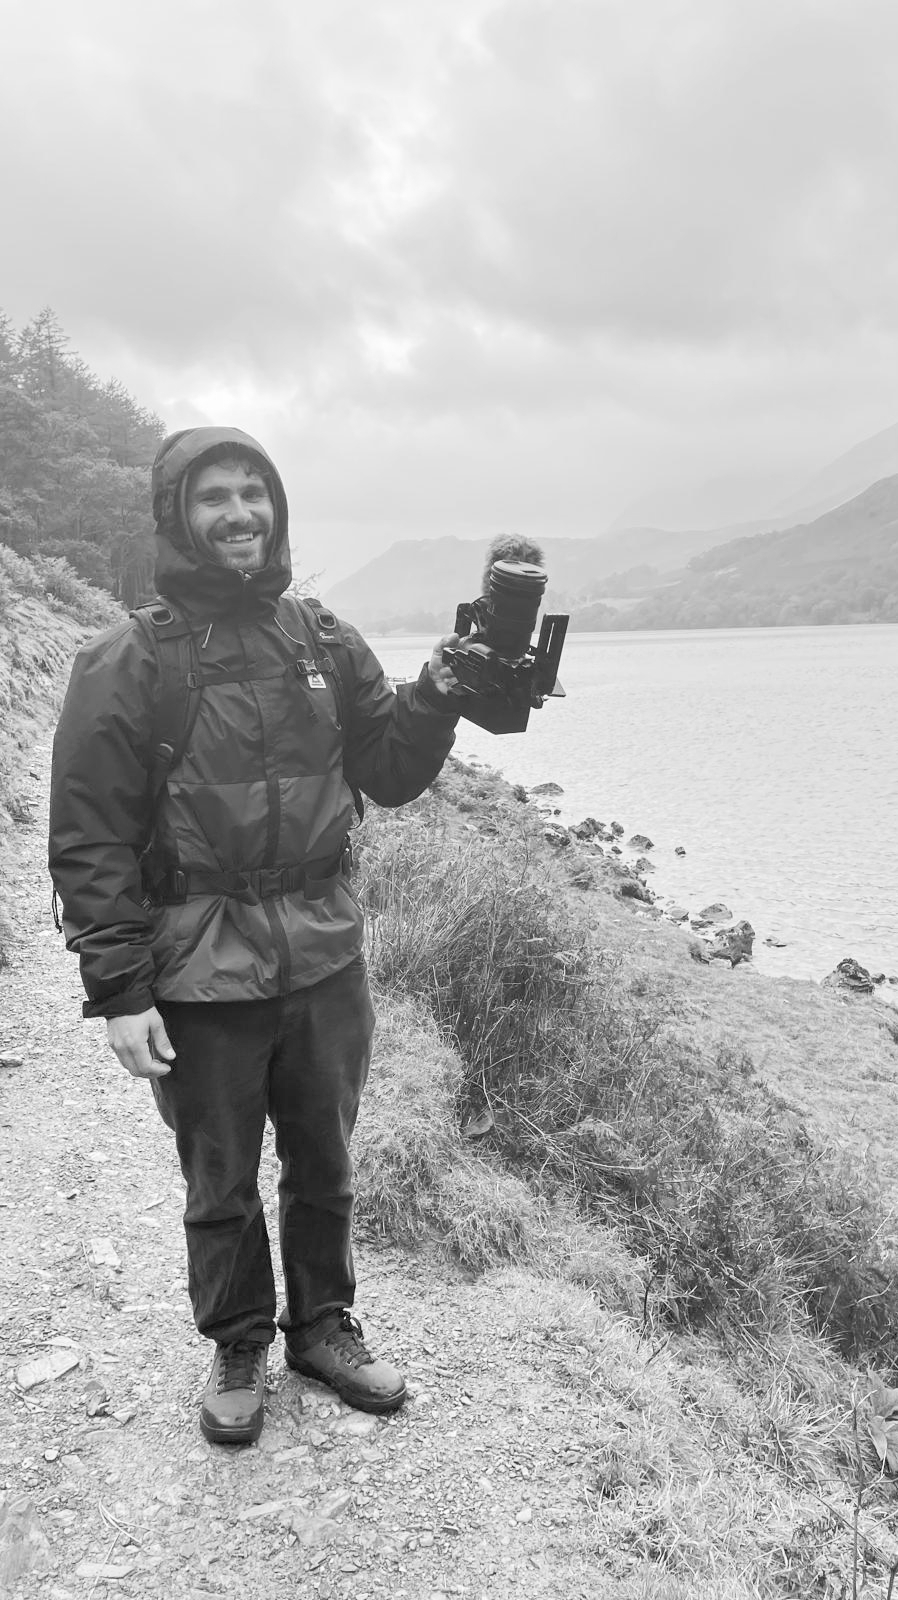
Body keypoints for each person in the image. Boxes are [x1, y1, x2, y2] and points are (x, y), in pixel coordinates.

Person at [48, 426, 460, 1446]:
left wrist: (445, 694)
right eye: (214, 496)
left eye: (254, 493)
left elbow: (393, 768)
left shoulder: (320, 639)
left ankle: (324, 1324)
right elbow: (89, 838)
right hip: (196, 962)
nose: (240, 513)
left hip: (323, 950)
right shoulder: (127, 661)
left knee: (324, 1159)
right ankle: (239, 1340)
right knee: (220, 1176)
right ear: (175, 517)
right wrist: (121, 990)